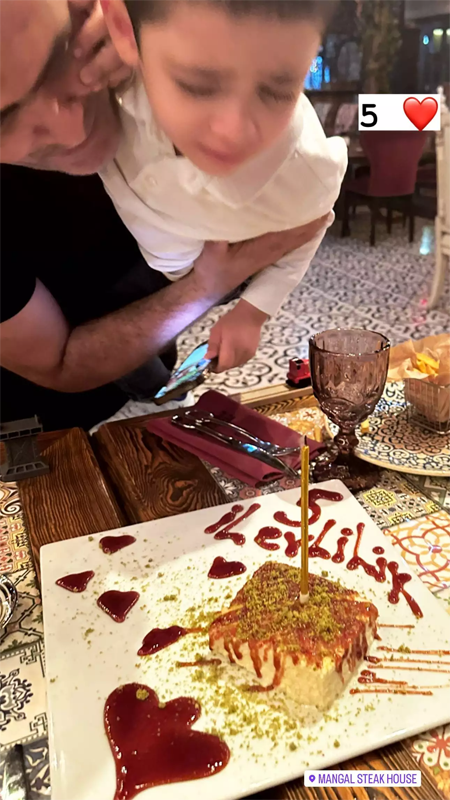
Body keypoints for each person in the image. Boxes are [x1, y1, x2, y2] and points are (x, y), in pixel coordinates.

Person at [0, 0, 328, 430]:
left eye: (59, 56)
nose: (73, 130)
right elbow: (61, 363)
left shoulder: (150, 50)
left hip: (148, 356)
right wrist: (208, 286)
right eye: (4, 119)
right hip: (43, 427)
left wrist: (168, 34)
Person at [98, 0, 348, 372]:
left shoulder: (304, 171)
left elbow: (312, 223)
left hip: (190, 278)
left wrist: (253, 312)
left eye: (277, 92)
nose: (234, 131)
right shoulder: (102, 83)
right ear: (124, 31)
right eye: (197, 86)